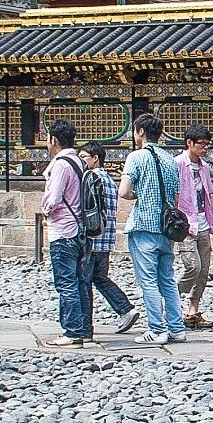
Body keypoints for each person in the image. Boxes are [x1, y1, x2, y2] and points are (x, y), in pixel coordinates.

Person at [119, 113, 189, 342]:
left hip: (143, 225)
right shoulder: (171, 160)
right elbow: (176, 198)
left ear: (140, 131)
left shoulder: (136, 157)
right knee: (167, 279)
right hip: (166, 227)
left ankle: (157, 329)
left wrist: (140, 195)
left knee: (147, 280)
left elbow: (124, 191)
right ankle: (176, 328)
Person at [38, 119, 94, 347]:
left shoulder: (61, 164)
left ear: (53, 139)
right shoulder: (79, 162)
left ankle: (72, 331)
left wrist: (45, 210)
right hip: (81, 228)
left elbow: (55, 197)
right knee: (80, 281)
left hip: (63, 229)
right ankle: (84, 327)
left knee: (66, 282)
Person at [78, 143, 142, 338]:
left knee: (84, 281)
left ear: (95, 158)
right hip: (106, 238)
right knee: (100, 278)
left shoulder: (91, 177)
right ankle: (125, 309)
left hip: (92, 237)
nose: (81, 161)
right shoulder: (109, 180)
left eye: (83, 157)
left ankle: (84, 327)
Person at [174, 123, 213, 329]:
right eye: (201, 144)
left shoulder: (204, 167)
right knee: (193, 266)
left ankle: (193, 311)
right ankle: (172, 296)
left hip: (203, 222)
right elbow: (173, 194)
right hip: (186, 223)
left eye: (207, 144)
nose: (204, 148)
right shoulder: (176, 164)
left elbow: (208, 196)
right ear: (189, 143)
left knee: (204, 270)